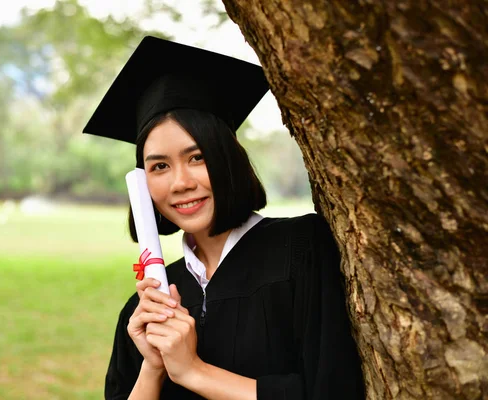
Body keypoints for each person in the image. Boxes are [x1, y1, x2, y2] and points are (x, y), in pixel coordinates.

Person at [83, 36, 365, 400]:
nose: (181, 183)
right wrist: (153, 368)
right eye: (160, 166)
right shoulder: (149, 307)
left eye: (197, 157)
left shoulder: (301, 251)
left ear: (228, 158)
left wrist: (193, 371)